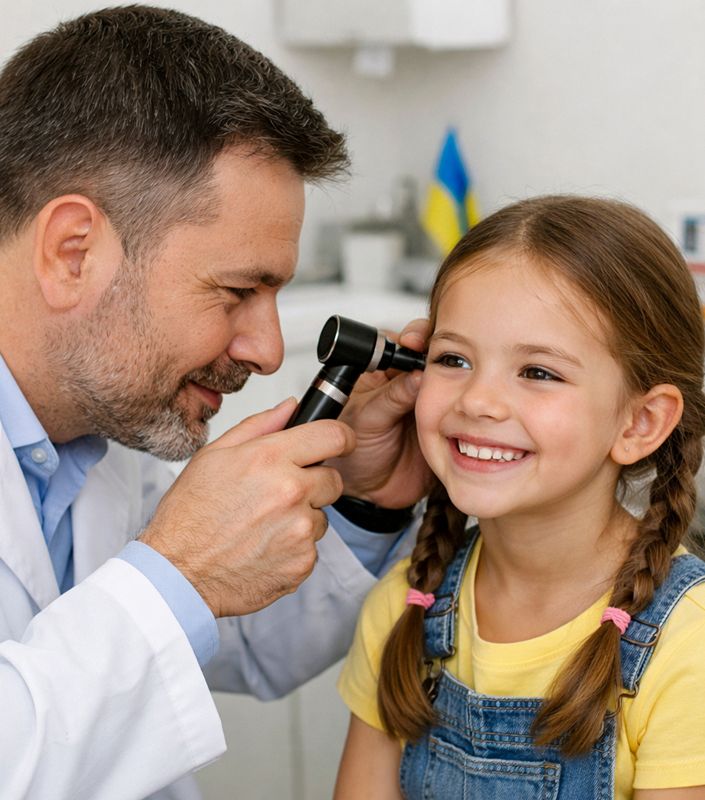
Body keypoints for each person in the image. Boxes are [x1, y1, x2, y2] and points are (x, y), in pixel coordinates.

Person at [0, 6, 431, 799]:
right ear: (73, 252)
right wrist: (181, 570)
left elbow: (209, 639)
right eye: (237, 291)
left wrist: (363, 502)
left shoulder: (97, 435)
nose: (267, 350)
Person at [335, 195, 705, 799]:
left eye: (538, 372)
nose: (478, 400)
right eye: (453, 358)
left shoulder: (689, 646)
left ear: (639, 423)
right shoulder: (404, 607)